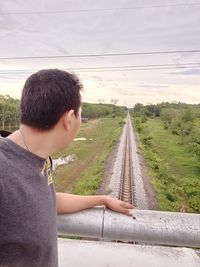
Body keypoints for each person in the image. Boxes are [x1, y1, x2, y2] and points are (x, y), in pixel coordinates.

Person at [0, 69, 133, 267]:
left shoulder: (40, 159)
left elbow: (44, 200)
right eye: (80, 114)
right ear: (69, 118)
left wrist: (101, 199)